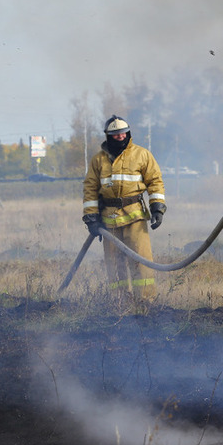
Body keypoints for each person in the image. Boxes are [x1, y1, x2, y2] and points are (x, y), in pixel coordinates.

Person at [82, 115, 166, 305]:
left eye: (123, 133)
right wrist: (91, 218)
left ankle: (145, 302)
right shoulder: (98, 160)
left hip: (134, 217)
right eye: (115, 134)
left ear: (128, 133)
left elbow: (155, 182)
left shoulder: (142, 155)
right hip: (108, 220)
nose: (120, 137)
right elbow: (90, 189)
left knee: (141, 260)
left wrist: (157, 208)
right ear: (108, 136)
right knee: (114, 264)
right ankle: (119, 304)